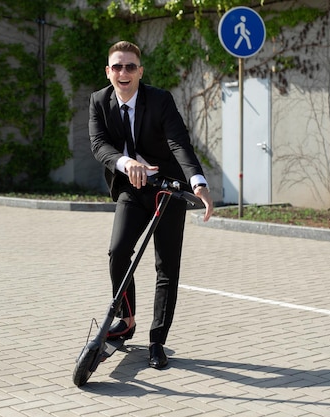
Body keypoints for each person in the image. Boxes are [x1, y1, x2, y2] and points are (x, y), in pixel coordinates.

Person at [88, 40, 214, 369]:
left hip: (167, 188)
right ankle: (126, 319)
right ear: (108, 71)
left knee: (166, 267)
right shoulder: (99, 101)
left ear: (140, 71)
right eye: (117, 66)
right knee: (118, 253)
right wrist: (125, 163)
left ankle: (157, 341)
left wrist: (197, 182)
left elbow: (178, 141)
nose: (124, 72)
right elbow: (99, 144)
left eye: (130, 66)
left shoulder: (159, 100)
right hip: (132, 187)